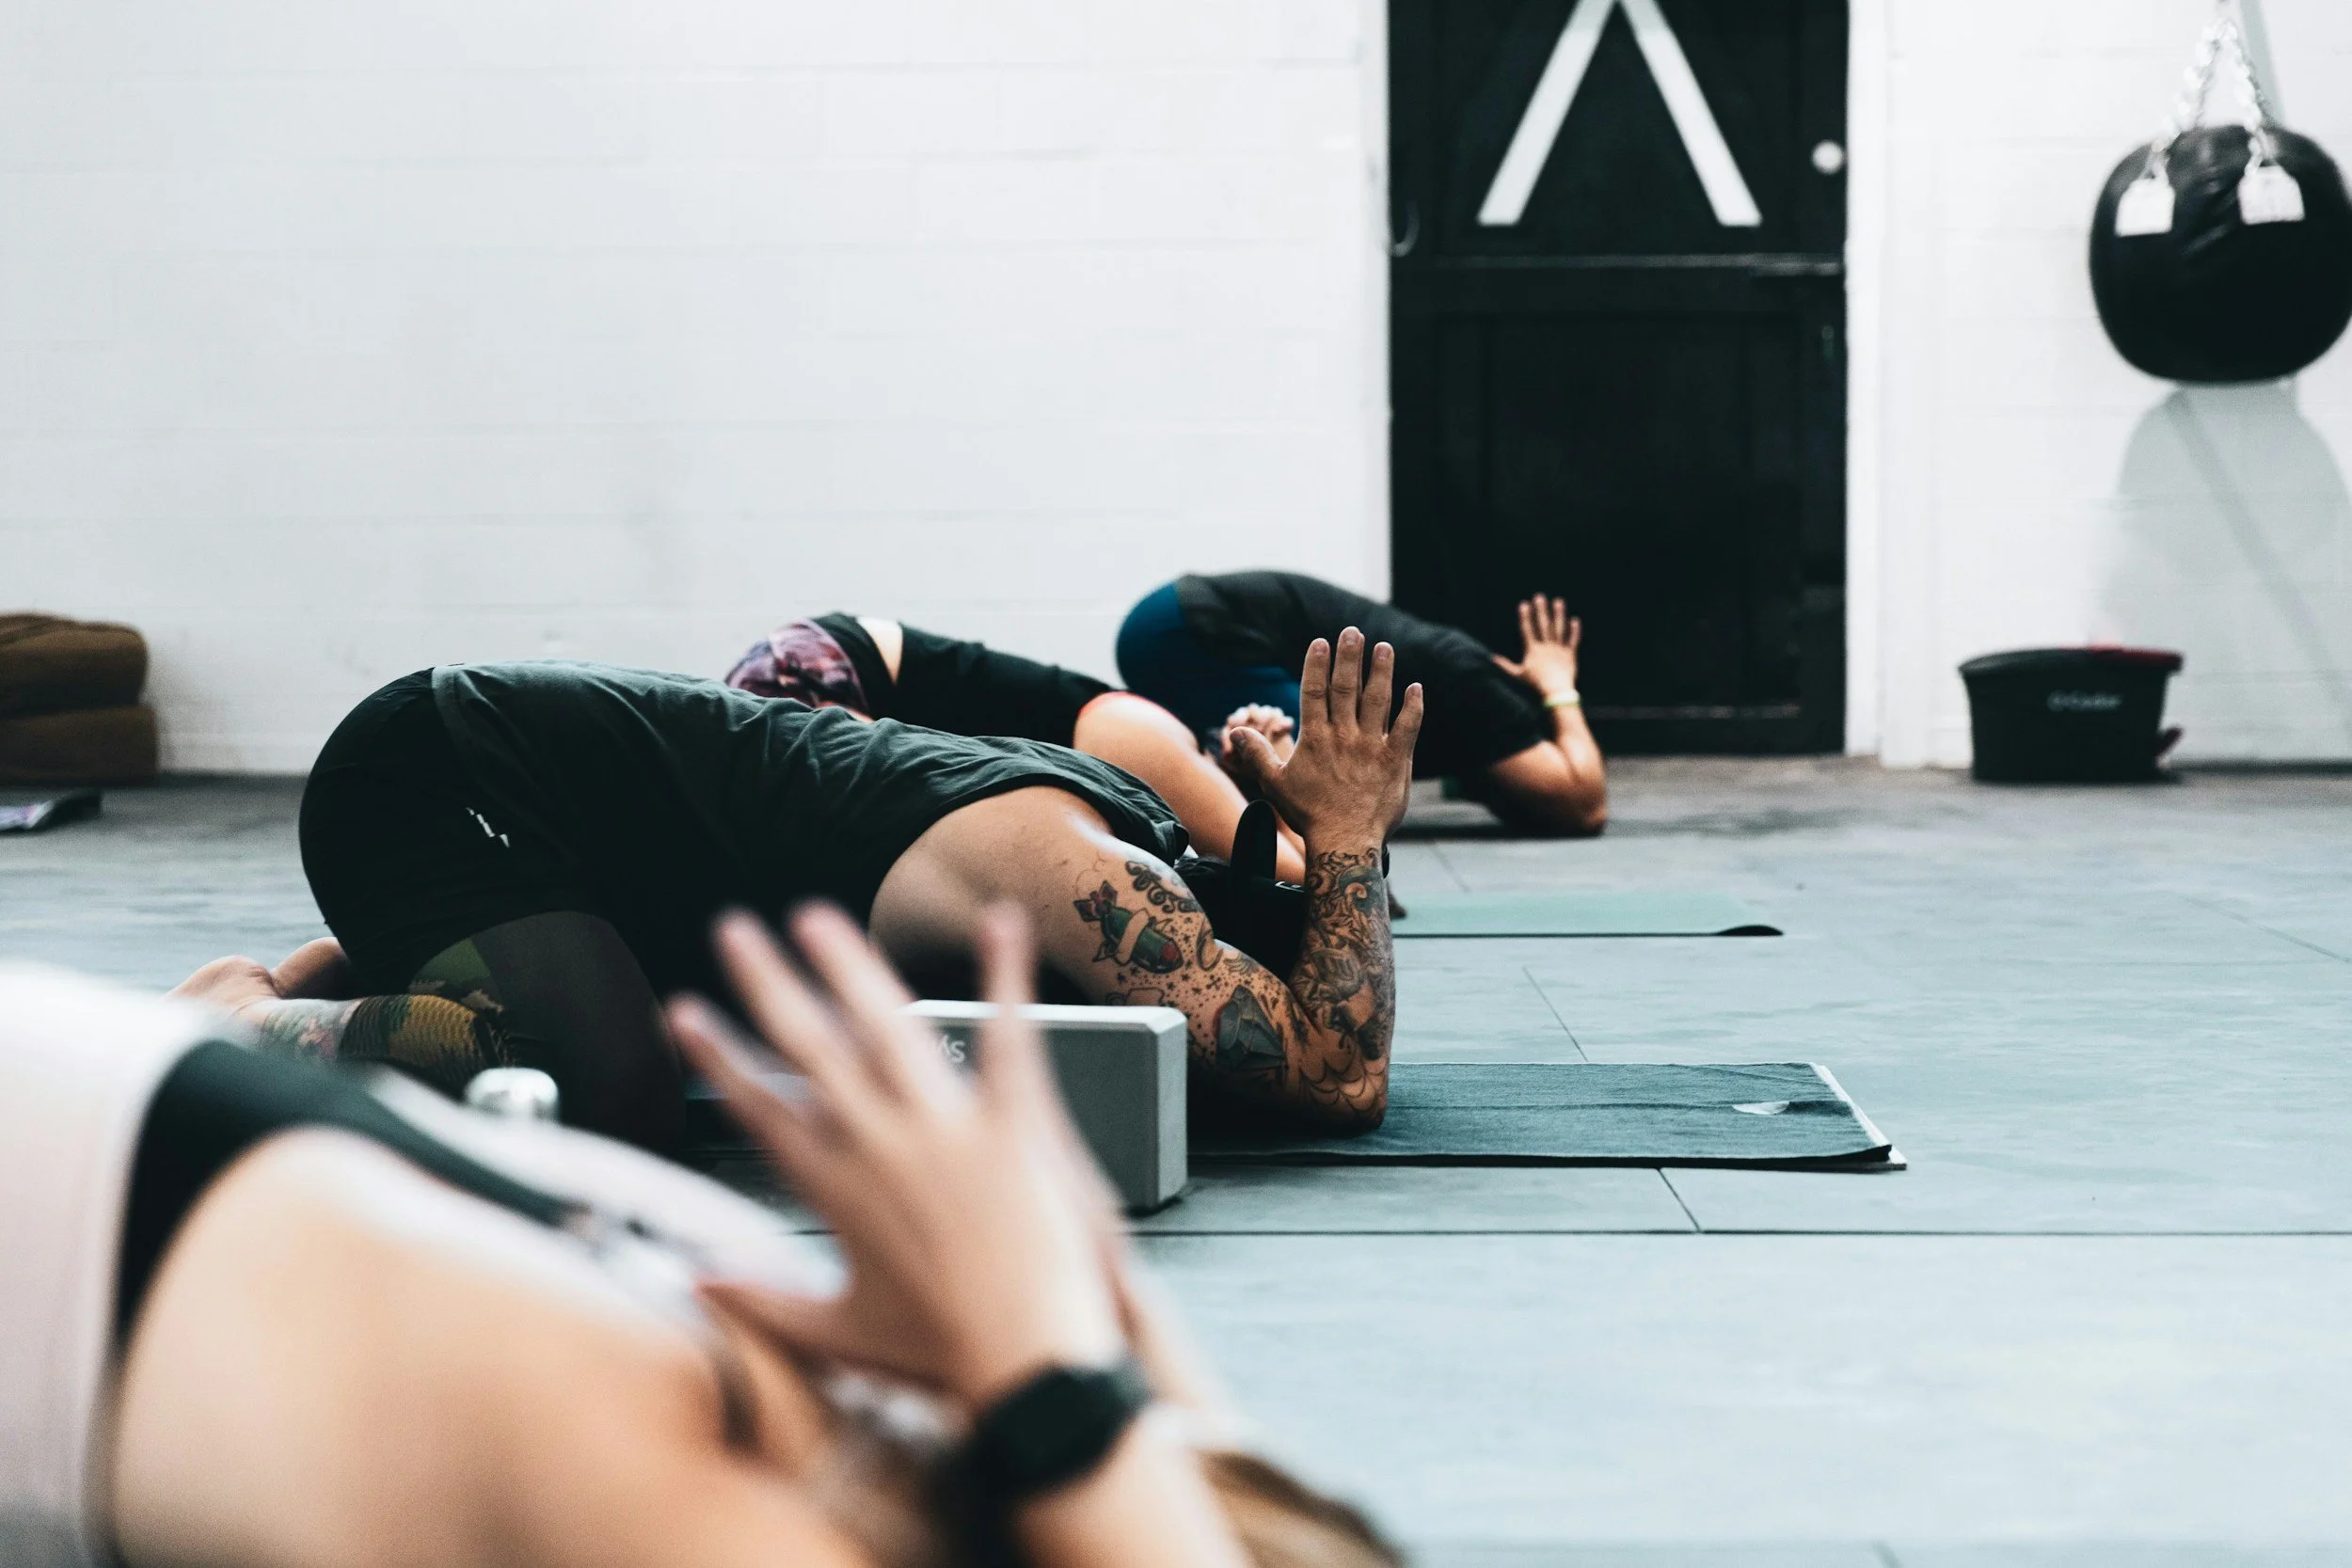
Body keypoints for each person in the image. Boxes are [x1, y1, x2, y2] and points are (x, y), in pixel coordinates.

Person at [1, 905, 1403, 1568]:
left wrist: (1053, 1378)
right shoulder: (837, 1432)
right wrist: (1061, 1358)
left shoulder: (727, 1507)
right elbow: (1210, 1457)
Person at [198, 631, 1419, 1150]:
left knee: (651, 995)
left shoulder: (1111, 840)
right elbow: (1335, 1070)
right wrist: (1354, 833)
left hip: (541, 841)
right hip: (432, 769)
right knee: (616, 1087)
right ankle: (247, 1024)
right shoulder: (1079, 863)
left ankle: (304, 978)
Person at [724, 612, 1307, 881]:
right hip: (811, 671)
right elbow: (1303, 869)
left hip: (802, 662)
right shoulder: (1139, 739)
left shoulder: (1128, 747)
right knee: (1291, 869)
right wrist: (1275, 776)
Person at [1119, 572, 1607, 836]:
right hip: (1187, 625)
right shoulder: (1479, 690)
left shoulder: (1462, 677)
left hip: (1174, 619)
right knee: (1314, 794)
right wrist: (1561, 690)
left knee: (1261, 769)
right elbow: (1582, 806)